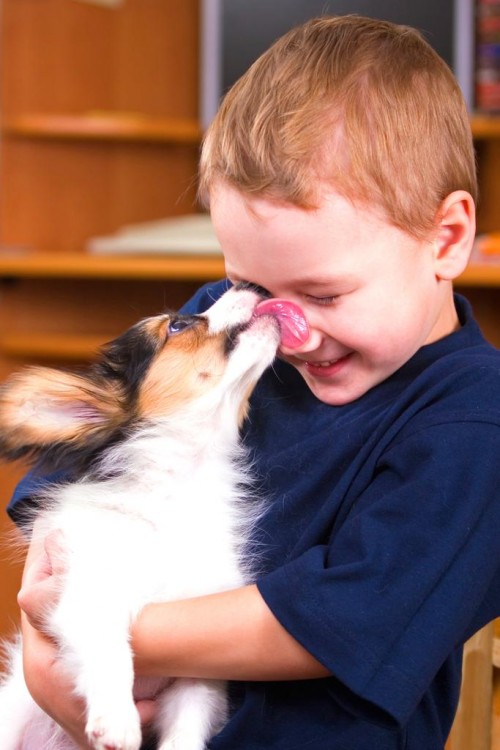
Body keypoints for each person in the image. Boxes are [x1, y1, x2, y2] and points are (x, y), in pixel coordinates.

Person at [8, 15, 500, 750]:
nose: (280, 326)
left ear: (447, 239)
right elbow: (67, 512)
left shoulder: (476, 422)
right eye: (249, 281)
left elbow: (347, 617)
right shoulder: (232, 325)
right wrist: (58, 658)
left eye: (324, 295)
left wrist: (105, 629)